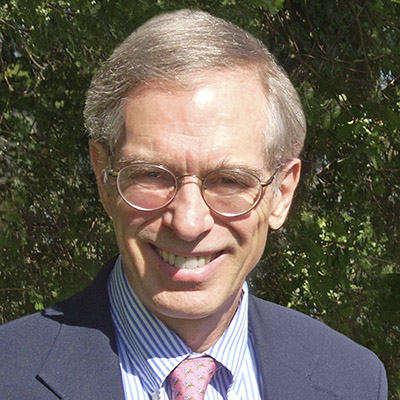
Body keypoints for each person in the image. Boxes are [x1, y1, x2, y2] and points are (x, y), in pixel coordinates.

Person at [0, 9, 387, 400]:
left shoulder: (352, 380)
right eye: (152, 175)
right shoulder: (8, 374)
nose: (187, 222)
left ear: (281, 194)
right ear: (104, 175)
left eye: (229, 181)